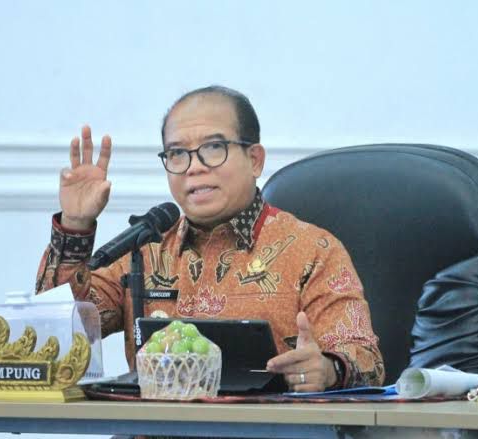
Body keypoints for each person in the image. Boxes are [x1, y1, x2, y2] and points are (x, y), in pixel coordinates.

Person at [36, 85, 384, 391]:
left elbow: (365, 358)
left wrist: (328, 369)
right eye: (177, 153)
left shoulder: (312, 250)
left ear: (255, 159)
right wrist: (76, 224)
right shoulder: (145, 250)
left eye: (214, 147)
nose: (194, 166)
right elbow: (60, 335)